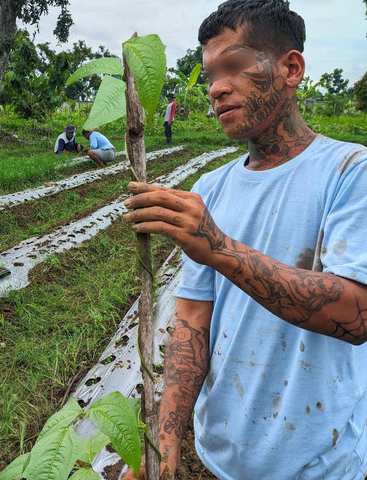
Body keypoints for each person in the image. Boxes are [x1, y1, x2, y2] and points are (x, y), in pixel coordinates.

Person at [122, 1, 367, 478]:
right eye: (210, 73)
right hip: (222, 457)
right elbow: (193, 319)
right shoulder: (211, 188)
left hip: (321, 462)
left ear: (290, 68)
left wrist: (217, 245)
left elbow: (356, 314)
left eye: (233, 66)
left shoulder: (349, 172)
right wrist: (166, 442)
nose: (216, 88)